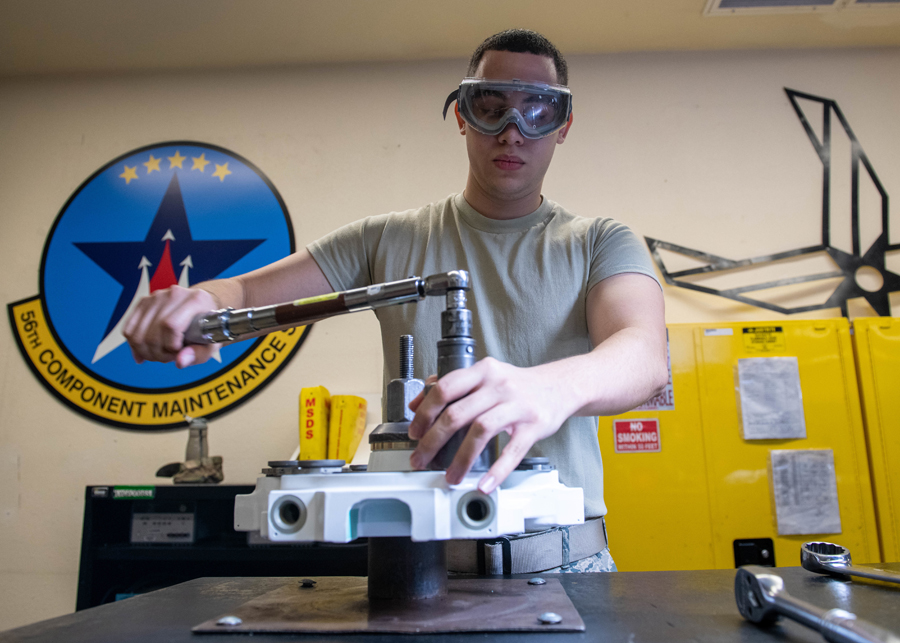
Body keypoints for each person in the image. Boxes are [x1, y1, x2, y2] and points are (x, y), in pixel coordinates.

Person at [124, 29, 668, 573]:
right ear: (461, 115)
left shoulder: (600, 240)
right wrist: (198, 299)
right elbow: (241, 292)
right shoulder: (385, 239)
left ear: (563, 126)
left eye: (537, 111)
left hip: (564, 564)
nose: (512, 132)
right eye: (491, 107)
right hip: (419, 566)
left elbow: (643, 355)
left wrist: (548, 387)